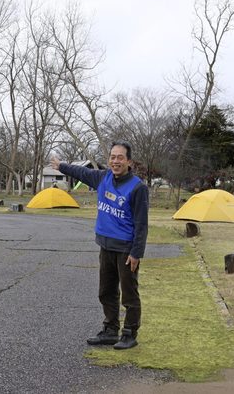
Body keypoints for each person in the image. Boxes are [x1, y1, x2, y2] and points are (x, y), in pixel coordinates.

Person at [50, 141, 149, 350]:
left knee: (129, 294)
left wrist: (136, 253)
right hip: (105, 246)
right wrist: (61, 166)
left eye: (120, 157)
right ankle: (110, 330)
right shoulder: (103, 178)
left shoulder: (138, 187)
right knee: (106, 291)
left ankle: (130, 333)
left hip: (126, 249)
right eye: (112, 157)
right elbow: (81, 172)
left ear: (129, 161)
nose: (115, 161)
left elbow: (141, 224)